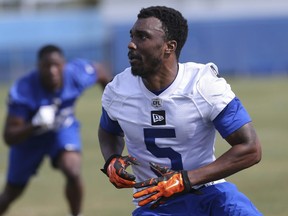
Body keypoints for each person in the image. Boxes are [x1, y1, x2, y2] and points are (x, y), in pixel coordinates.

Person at [98, 5, 263, 216]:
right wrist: (112, 159)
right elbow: (108, 131)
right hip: (156, 205)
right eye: (132, 36)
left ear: (169, 46)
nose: (131, 44)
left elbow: (251, 148)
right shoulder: (118, 90)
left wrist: (186, 179)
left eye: (142, 37)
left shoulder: (202, 85)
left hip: (210, 194)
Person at [0, 44, 111, 216]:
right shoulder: (24, 89)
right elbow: (9, 136)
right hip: (29, 140)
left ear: (64, 65)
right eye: (47, 66)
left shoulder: (76, 73)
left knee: (72, 170)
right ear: (38, 67)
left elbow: (101, 72)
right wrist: (34, 124)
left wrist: (113, 106)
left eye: (56, 65)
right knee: (10, 194)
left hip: (61, 129)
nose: (52, 71)